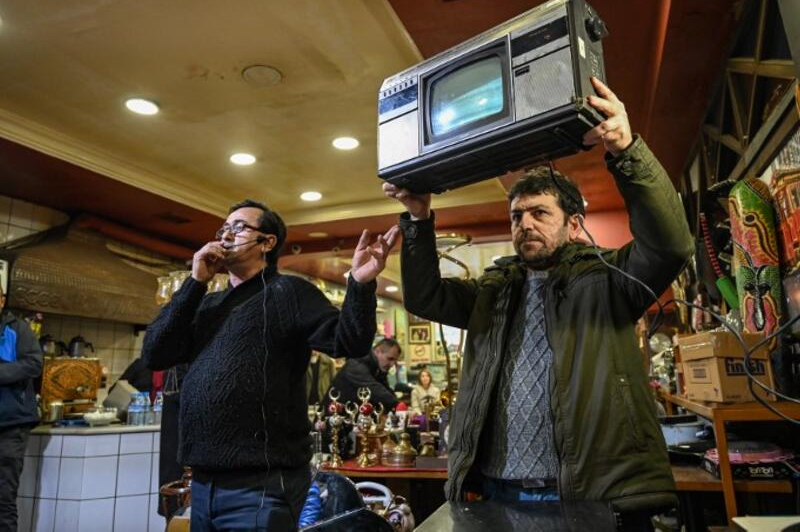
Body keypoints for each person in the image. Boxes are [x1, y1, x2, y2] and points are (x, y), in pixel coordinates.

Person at [384, 78, 694, 530]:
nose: (524, 224)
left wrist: (626, 152)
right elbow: (425, 297)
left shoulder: (607, 280)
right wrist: (418, 220)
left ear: (574, 225)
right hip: (495, 492)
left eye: (539, 213)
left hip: (585, 492)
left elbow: (670, 246)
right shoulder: (492, 290)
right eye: (516, 216)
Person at [142, 199, 398, 532]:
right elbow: (155, 354)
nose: (227, 235)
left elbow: (348, 342)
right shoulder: (207, 304)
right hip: (203, 483)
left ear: (267, 242)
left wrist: (361, 284)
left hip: (262, 485)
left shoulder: (289, 292)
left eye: (239, 227)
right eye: (224, 228)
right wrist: (195, 283)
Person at [0, 284, 43, 532]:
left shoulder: (18, 330)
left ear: (2, 301)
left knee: (3, 498)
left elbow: (34, 363)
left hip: (10, 425)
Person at [328, 337, 401, 411]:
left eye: (394, 361)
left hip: (349, 412)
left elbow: (384, 389)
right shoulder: (357, 362)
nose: (392, 364)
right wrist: (398, 405)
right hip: (334, 414)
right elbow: (373, 389)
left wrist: (398, 404)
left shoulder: (377, 368)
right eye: (390, 359)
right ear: (377, 351)